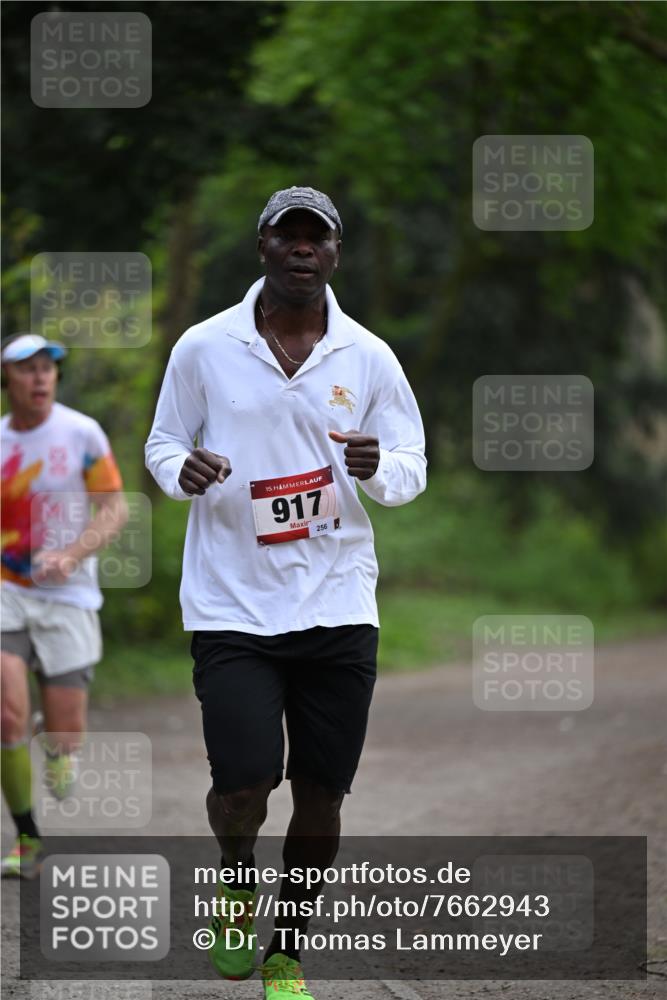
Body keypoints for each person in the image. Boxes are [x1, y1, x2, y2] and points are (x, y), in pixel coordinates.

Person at [145, 186, 426, 998]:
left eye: (318, 238)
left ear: (335, 254)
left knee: (320, 795)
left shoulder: (368, 355)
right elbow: (165, 441)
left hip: (337, 603)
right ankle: (236, 880)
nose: (302, 249)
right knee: (242, 785)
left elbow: (411, 466)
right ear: (262, 246)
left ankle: (286, 950)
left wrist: (380, 470)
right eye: (287, 235)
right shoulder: (204, 346)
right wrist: (179, 471)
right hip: (231, 601)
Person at [1, 334, 127, 877]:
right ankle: (27, 837)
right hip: (7, 591)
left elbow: (114, 509)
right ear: (9, 378)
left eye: (47, 369)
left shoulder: (81, 433)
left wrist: (74, 555)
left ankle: (58, 751)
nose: (40, 378)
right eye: (27, 369)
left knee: (64, 736)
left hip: (70, 596)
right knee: (5, 717)